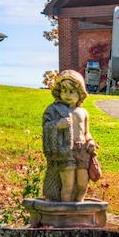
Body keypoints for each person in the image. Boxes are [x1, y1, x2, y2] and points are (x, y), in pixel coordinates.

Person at [42, 70, 97, 202]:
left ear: (80, 93)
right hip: (65, 150)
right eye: (64, 90)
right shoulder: (54, 110)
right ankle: (65, 213)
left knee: (82, 184)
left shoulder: (83, 112)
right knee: (68, 185)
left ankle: (78, 211)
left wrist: (90, 141)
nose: (67, 94)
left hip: (83, 150)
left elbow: (86, 132)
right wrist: (57, 125)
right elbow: (46, 126)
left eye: (71, 91)